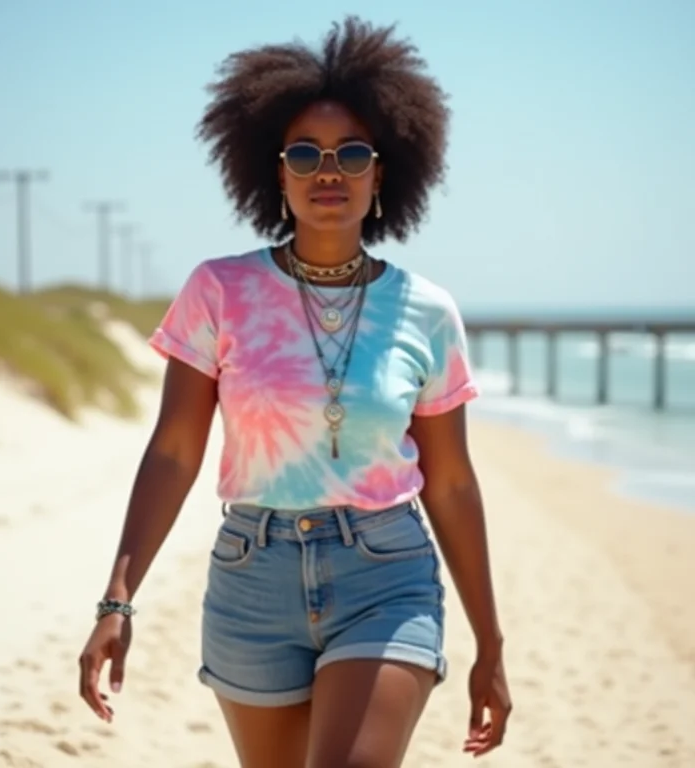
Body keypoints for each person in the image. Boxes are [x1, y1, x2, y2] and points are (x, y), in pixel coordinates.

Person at [78, 16, 512, 767]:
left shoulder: (427, 310)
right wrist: (118, 597)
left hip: (387, 571)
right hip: (253, 574)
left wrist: (491, 642)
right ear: (275, 173)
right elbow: (176, 450)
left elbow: (450, 483)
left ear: (384, 172)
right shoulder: (219, 290)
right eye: (305, 154)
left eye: (352, 153)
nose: (328, 170)